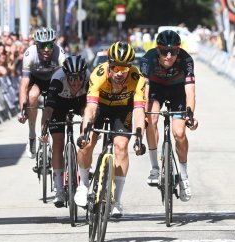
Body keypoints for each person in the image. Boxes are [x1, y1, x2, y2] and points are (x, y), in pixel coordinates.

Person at [76, 41, 146, 218]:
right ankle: (83, 184)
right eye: (116, 67)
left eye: (124, 67)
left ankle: (117, 201)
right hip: (100, 107)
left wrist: (139, 137)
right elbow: (90, 108)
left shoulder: (137, 78)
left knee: (121, 145)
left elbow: (138, 111)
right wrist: (85, 132)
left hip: (122, 110)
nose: (120, 72)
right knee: (87, 142)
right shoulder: (99, 74)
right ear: (110, 64)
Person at [140, 30, 198, 202]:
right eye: (165, 51)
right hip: (156, 90)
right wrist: (143, 113)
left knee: (179, 133)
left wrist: (190, 115)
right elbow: (145, 89)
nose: (169, 56)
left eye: (174, 51)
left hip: (177, 91)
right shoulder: (148, 59)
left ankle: (183, 175)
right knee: (151, 119)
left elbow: (190, 92)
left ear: (179, 50)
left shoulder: (186, 60)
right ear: (158, 50)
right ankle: (155, 168)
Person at [39, 56, 89, 207]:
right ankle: (59, 189)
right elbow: (48, 110)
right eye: (72, 79)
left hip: (80, 101)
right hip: (59, 105)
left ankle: (84, 165)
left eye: (79, 78)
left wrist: (88, 131)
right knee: (58, 143)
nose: (76, 83)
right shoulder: (57, 80)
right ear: (66, 76)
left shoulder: (88, 79)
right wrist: (43, 130)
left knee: (85, 138)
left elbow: (91, 109)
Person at [18, 27, 67, 158]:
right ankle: (32, 135)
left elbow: (65, 79)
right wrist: (22, 109)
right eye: (42, 45)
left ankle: (44, 133)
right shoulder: (30, 54)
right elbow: (24, 84)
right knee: (32, 96)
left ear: (54, 43)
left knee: (53, 104)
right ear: (36, 45)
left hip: (53, 79)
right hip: (36, 80)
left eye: (50, 45)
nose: (46, 49)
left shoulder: (60, 53)